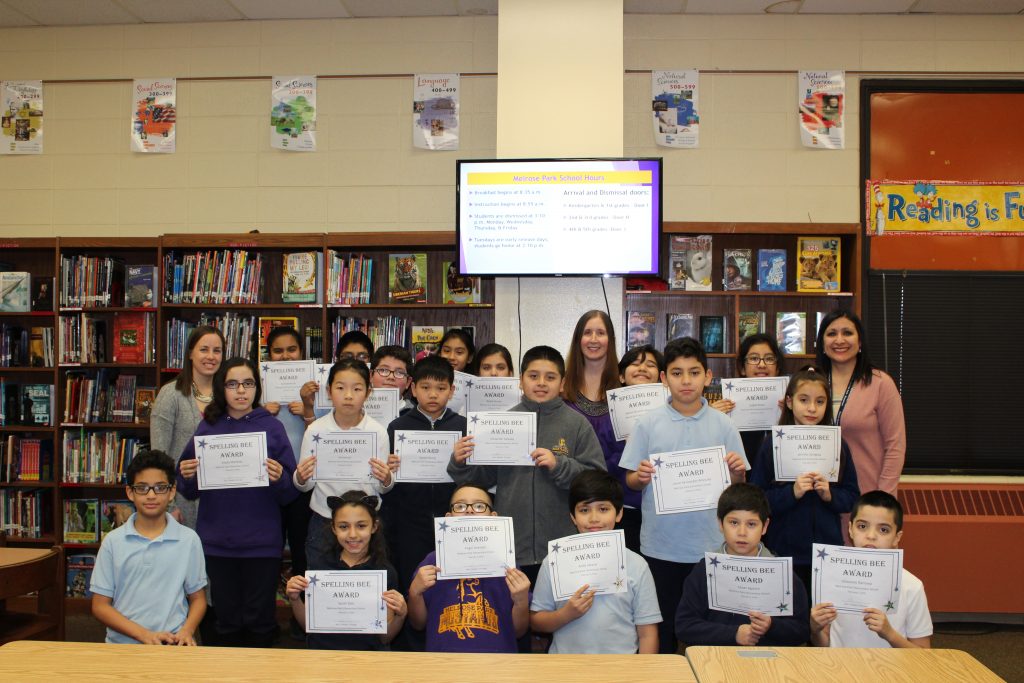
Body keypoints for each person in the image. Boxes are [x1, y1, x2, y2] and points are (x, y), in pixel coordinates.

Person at [619, 337, 748, 654]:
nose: (686, 381)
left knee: (709, 634)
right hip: (661, 548)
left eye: (694, 372)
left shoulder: (724, 425)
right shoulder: (647, 424)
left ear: (707, 376)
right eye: (677, 373)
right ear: (664, 379)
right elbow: (629, 482)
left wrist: (736, 472)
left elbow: (739, 484)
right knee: (662, 632)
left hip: (710, 547)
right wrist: (640, 476)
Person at [448, 345, 606, 581]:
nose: (541, 383)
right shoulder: (501, 423)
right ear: (520, 381)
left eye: (550, 377)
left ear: (562, 383)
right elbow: (483, 481)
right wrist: (461, 462)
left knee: (556, 614)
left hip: (562, 543)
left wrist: (559, 464)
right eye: (533, 376)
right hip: (511, 545)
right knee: (517, 613)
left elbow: (598, 481)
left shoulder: (578, 424)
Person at [176, 357, 298, 647]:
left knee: (260, 621)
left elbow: (290, 493)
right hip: (219, 542)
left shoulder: (271, 427)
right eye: (232, 384)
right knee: (227, 622)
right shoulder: (208, 428)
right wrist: (187, 474)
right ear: (222, 388)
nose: (241, 391)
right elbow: (189, 489)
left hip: (261, 542)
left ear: (257, 387)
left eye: (248, 383)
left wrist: (280, 477)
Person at [749, 367, 859, 593]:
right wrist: (792, 493)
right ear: (789, 402)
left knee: (821, 619)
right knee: (788, 620)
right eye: (804, 400)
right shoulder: (772, 445)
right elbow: (756, 500)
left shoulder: (838, 445)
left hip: (826, 552)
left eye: (820, 401)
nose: (812, 408)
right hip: (783, 550)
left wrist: (830, 495)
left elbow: (852, 497)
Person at [530, 470, 661, 654]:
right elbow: (536, 621)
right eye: (584, 510)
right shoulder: (553, 561)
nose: (594, 518)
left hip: (621, 671)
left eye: (603, 509)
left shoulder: (636, 565)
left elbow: (648, 633)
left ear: (619, 513)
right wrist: (565, 615)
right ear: (573, 517)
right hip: (565, 668)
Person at [90, 450, 207, 645]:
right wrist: (143, 635)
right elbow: (100, 606)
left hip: (172, 643)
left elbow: (198, 599)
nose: (151, 495)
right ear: (130, 492)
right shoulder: (113, 541)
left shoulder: (189, 540)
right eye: (142, 488)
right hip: (123, 645)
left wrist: (187, 630)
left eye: (160, 488)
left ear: (171, 492)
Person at [675, 483, 810, 647]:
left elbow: (801, 630)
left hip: (768, 662)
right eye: (733, 523)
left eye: (751, 524)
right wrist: (734, 634)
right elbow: (684, 626)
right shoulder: (704, 571)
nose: (742, 532)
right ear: (720, 524)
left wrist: (771, 626)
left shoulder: (783, 574)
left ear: (765, 526)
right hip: (715, 660)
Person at [293, 358, 394, 570]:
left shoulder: (377, 432)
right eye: (340, 388)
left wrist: (386, 479)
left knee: (365, 587)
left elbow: (381, 487)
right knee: (322, 585)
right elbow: (305, 485)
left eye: (357, 389)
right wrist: (300, 477)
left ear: (368, 392)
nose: (348, 396)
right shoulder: (315, 430)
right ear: (329, 391)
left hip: (364, 524)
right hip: (324, 521)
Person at [407, 485, 531, 652]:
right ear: (448, 517)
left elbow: (518, 631)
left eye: (480, 506)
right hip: (443, 664)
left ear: (494, 517)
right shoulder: (432, 562)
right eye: (460, 506)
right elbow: (418, 624)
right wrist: (415, 593)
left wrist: (521, 601)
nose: (470, 511)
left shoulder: (508, 565)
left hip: (498, 665)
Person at [382, 356, 468, 596]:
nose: (433, 395)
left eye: (441, 388)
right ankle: (413, 633)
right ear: (413, 388)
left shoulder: (463, 426)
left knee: (449, 584)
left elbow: (472, 476)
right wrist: (390, 467)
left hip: (450, 519)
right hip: (408, 520)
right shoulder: (397, 426)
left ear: (451, 390)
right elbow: (387, 481)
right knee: (412, 581)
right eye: (425, 387)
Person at [285, 491, 408, 650]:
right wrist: (295, 599)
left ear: (374, 526)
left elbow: (385, 638)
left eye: (361, 526)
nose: (352, 534)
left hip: (368, 657)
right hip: (323, 654)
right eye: (343, 526)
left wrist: (401, 615)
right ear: (334, 528)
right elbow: (310, 627)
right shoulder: (320, 567)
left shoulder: (384, 571)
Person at [810, 491, 932, 648]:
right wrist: (816, 629)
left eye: (883, 530)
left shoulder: (911, 586)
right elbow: (824, 644)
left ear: (897, 537)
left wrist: (890, 634)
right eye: (862, 526)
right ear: (850, 529)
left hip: (892, 670)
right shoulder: (830, 577)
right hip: (841, 668)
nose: (871, 536)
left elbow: (924, 655)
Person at [561, 311, 640, 553]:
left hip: (621, 506)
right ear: (578, 339)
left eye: (601, 332)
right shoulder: (561, 389)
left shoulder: (627, 389)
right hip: (574, 507)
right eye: (587, 332)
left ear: (611, 339)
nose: (594, 339)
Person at [261, 325, 320, 638]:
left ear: (302, 353)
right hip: (268, 482)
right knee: (268, 551)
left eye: (291, 350)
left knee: (302, 551)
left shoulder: (314, 386)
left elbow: (327, 431)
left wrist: (308, 410)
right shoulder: (256, 388)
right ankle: (265, 618)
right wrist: (260, 412)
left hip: (302, 482)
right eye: (278, 351)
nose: (285, 356)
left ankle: (302, 619)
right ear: (268, 356)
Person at [815, 311, 905, 496]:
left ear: (860, 341)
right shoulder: (810, 383)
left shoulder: (881, 384)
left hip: (868, 495)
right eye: (832, 334)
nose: (839, 340)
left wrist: (883, 496)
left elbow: (895, 446)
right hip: (819, 498)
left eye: (847, 333)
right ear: (822, 344)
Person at [151, 325, 224, 529]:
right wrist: (168, 505)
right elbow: (159, 455)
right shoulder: (170, 394)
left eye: (217, 351)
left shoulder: (228, 396)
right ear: (190, 353)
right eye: (204, 349)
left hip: (221, 503)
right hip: (182, 504)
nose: (211, 356)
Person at [711, 332, 785, 470]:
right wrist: (711, 418)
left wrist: (791, 416)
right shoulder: (727, 405)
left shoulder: (792, 403)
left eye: (769, 359)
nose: (762, 365)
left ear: (778, 367)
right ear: (742, 368)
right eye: (754, 358)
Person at [370, 345, 415, 415]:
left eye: (399, 372)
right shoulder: (357, 410)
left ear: (408, 382)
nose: (391, 377)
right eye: (383, 370)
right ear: (371, 376)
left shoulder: (417, 416)